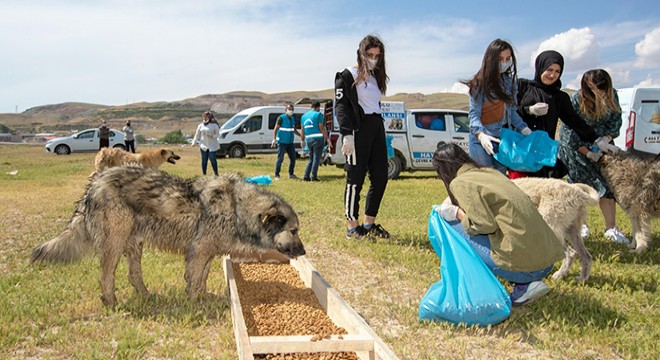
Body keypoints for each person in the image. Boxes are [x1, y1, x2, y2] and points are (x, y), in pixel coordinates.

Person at [432, 143, 564, 306]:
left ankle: (478, 281)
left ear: (443, 170)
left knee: (451, 225)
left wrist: (457, 214)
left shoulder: (460, 182)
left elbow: (484, 225)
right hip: (547, 261)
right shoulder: (489, 172)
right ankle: (524, 285)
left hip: (529, 269)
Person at [558, 69, 630, 244]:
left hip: (602, 147)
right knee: (579, 187)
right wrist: (588, 152)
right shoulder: (576, 100)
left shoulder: (612, 96)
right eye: (592, 89)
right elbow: (570, 131)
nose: (597, 93)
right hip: (576, 149)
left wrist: (606, 139)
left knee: (607, 187)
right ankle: (580, 225)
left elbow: (615, 120)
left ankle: (611, 229)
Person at [515, 50, 608, 179]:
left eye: (557, 71)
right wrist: (528, 110)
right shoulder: (522, 86)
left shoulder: (560, 97)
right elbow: (507, 111)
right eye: (549, 69)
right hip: (519, 152)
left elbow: (575, 122)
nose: (552, 75)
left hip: (543, 154)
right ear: (540, 67)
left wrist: (597, 140)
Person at [335, 34, 391, 240]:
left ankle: (369, 224)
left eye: (377, 55)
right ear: (361, 53)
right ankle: (352, 227)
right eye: (369, 54)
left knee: (380, 176)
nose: (373, 59)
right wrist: (347, 135)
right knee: (355, 178)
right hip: (358, 129)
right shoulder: (347, 75)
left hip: (376, 126)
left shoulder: (376, 76)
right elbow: (341, 107)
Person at [462, 39, 533, 174]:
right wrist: (481, 135)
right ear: (491, 59)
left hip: (502, 139)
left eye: (508, 58)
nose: (505, 62)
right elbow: (474, 113)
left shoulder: (510, 82)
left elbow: (511, 111)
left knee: (500, 180)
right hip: (481, 140)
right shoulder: (479, 83)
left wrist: (524, 128)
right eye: (500, 59)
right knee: (486, 179)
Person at [272, 104, 302, 180]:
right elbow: (275, 129)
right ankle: (277, 175)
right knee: (280, 159)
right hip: (282, 142)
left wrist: (300, 135)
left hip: (290, 142)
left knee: (293, 158)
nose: (291, 111)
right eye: (289, 109)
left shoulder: (292, 119)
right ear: (286, 110)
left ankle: (291, 174)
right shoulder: (281, 118)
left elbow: (294, 130)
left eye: (292, 109)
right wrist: (274, 139)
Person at [301, 102, 329, 181]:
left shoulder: (304, 116)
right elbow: (321, 128)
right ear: (318, 107)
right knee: (316, 158)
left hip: (308, 140)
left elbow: (302, 129)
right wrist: (327, 138)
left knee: (311, 158)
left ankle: (306, 176)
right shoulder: (318, 115)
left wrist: (302, 140)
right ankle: (314, 177)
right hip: (318, 139)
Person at [191, 111, 220, 176]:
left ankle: (216, 173)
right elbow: (197, 135)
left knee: (213, 159)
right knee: (204, 160)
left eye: (206, 116)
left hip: (212, 145)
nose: (204, 117)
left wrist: (212, 136)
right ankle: (204, 174)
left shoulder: (214, 125)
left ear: (209, 117)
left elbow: (218, 134)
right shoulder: (200, 126)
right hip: (203, 145)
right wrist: (194, 142)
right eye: (203, 116)